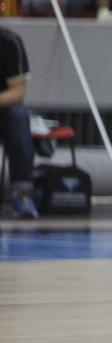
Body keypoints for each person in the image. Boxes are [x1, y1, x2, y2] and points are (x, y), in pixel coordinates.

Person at [0, 26, 38, 219]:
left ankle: (22, 192)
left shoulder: (9, 41)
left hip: (2, 112)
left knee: (18, 115)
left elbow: (18, 92)